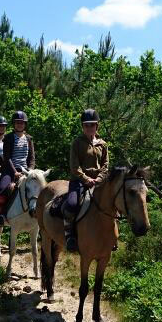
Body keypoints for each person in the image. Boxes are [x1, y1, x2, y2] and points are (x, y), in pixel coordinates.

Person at [64, 108, 109, 252]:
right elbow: (74, 166)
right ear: (83, 126)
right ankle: (70, 235)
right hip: (79, 181)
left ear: (97, 126)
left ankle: (111, 237)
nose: (89, 127)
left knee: (114, 203)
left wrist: (99, 178)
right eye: (86, 125)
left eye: (92, 124)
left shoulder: (103, 144)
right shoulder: (77, 143)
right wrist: (85, 179)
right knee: (71, 204)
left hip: (99, 182)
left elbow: (106, 165)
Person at [0, 111, 36, 225]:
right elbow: (7, 158)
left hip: (26, 170)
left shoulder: (29, 138)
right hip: (9, 169)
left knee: (37, 187)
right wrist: (15, 172)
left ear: (25, 124)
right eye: (17, 123)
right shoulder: (8, 138)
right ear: (14, 124)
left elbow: (32, 158)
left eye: (22, 123)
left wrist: (30, 170)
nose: (19, 125)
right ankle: (1, 214)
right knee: (3, 187)